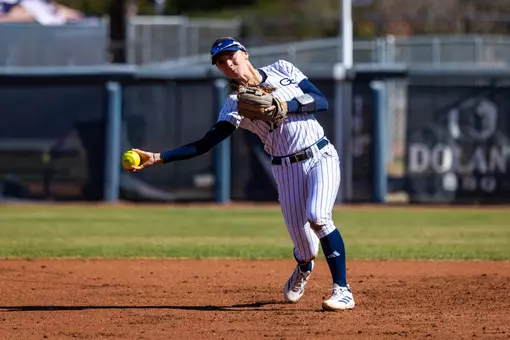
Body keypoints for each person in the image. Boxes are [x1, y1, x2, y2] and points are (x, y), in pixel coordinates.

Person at [129, 37, 355, 311]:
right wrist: (158, 157)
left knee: (318, 216)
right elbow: (204, 144)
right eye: (221, 63)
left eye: (231, 56)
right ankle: (304, 266)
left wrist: (288, 106)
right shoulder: (235, 103)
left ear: (245, 54)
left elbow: (321, 101)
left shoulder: (283, 69)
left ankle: (342, 290)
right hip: (286, 169)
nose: (228, 64)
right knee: (306, 249)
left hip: (321, 154)